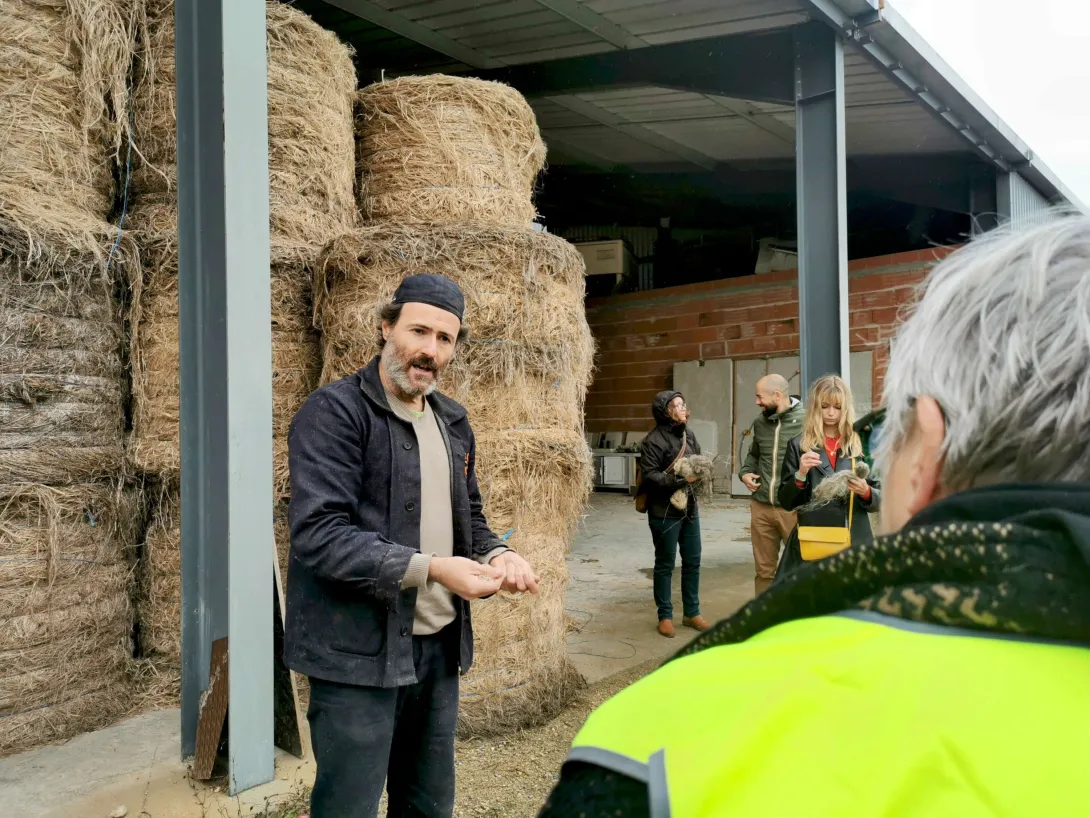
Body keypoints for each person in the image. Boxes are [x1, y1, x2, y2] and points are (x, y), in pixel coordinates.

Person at [539, 217, 1090, 816]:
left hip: (832, 531)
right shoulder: (758, 435)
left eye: (891, 436)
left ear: (926, 454)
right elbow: (761, 475)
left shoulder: (653, 743)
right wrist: (774, 478)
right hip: (773, 515)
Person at [285, 273, 541, 818]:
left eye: (445, 338)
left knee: (427, 805)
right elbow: (319, 535)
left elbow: (467, 515)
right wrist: (434, 569)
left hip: (435, 649)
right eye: (418, 331)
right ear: (386, 326)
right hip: (356, 654)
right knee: (347, 807)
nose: (430, 350)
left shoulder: (452, 422)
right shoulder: (333, 414)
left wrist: (497, 553)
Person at [772, 374, 880, 581]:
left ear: (846, 408)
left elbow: (882, 496)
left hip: (854, 537)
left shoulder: (861, 443)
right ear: (815, 407)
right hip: (813, 539)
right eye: (825, 406)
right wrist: (800, 474)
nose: (831, 413)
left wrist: (866, 492)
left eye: (837, 407)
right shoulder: (798, 445)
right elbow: (786, 502)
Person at [638, 391, 710, 638]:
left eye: (683, 404)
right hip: (663, 511)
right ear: (665, 411)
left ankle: (692, 612)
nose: (683, 408)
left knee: (693, 561)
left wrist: (700, 473)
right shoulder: (652, 441)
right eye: (677, 405)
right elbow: (649, 476)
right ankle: (665, 616)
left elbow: (698, 460)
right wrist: (679, 479)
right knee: (665, 565)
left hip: (689, 509)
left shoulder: (689, 435)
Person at [738, 374, 805, 595]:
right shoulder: (760, 422)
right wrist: (746, 473)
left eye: (760, 397)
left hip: (793, 509)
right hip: (761, 507)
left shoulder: (807, 421)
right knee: (764, 571)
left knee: (800, 567)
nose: (757, 402)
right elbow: (754, 454)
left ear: (777, 395)